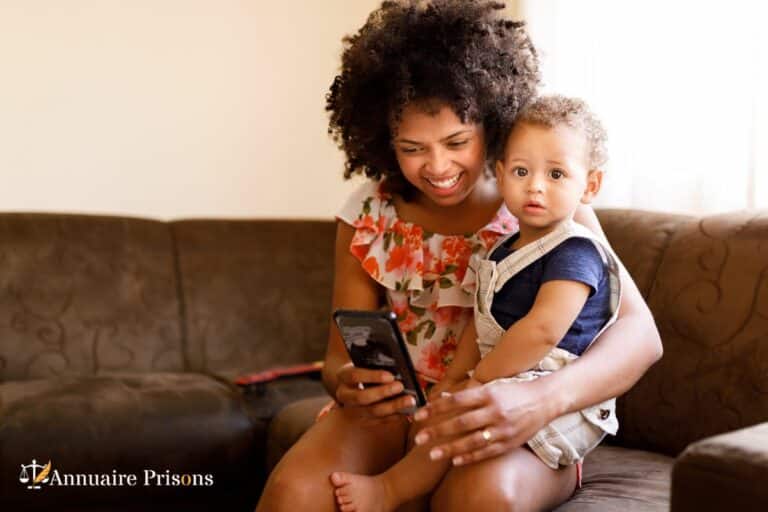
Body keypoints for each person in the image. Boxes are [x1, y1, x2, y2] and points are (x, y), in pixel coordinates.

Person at [255, 2, 662, 511]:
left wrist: (541, 399)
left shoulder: (544, 208)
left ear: (492, 125)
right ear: (383, 141)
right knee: (296, 492)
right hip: (398, 412)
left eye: (456, 141)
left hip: (511, 407)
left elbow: (641, 337)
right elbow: (339, 357)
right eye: (412, 147)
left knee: (480, 497)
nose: (437, 166)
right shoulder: (368, 213)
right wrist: (347, 382)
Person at [329, 94, 623, 511]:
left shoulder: (576, 249)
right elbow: (483, 323)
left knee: (455, 427)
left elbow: (542, 331)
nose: (536, 186)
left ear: (590, 185)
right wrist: (453, 380)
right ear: (502, 175)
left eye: (556, 174)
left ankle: (390, 490)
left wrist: (479, 380)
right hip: (503, 373)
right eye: (522, 172)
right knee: (446, 420)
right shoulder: (503, 249)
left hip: (546, 388)